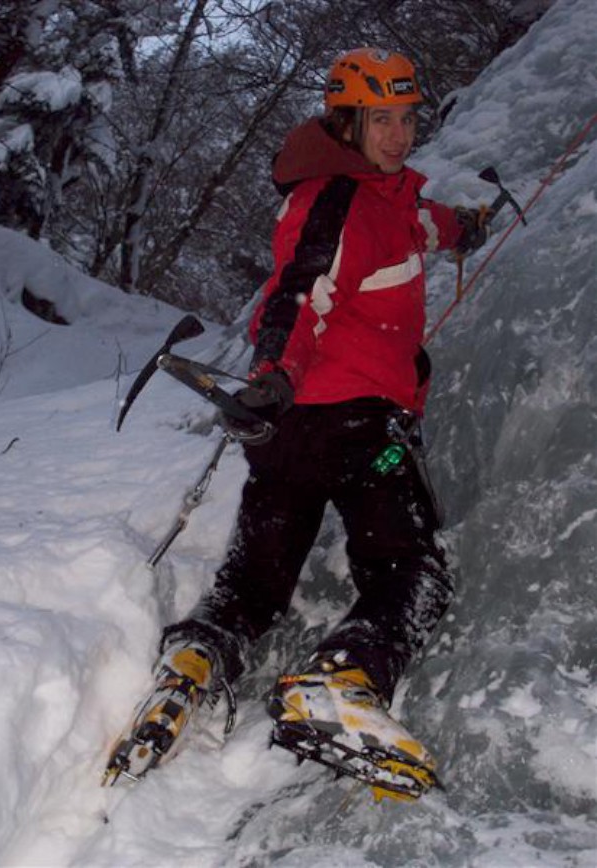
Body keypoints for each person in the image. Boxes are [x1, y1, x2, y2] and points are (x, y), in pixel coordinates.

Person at [133, 48, 489, 799]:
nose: (398, 134)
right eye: (380, 120)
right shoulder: (338, 201)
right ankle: (342, 682)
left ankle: (196, 659)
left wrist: (469, 226)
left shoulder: (390, 198)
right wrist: (275, 372)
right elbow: (298, 295)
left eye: (406, 117)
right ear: (345, 122)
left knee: (255, 582)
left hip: (292, 435)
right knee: (410, 571)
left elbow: (426, 226)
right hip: (351, 423)